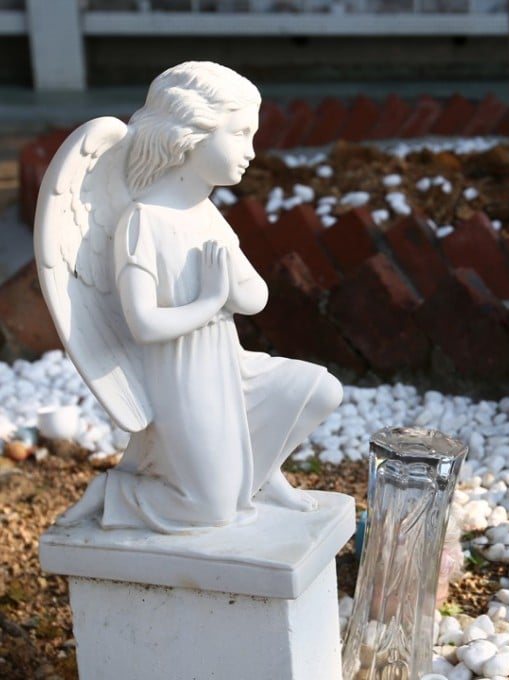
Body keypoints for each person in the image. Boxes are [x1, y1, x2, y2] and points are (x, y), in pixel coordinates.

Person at [37, 62, 343, 533]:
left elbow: (255, 297)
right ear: (192, 133)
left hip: (227, 365)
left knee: (321, 391)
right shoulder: (144, 222)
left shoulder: (206, 214)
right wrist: (209, 301)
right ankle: (119, 493)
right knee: (210, 510)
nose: (251, 151)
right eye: (240, 134)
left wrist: (229, 288)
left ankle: (258, 475)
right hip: (181, 381)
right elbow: (143, 324)